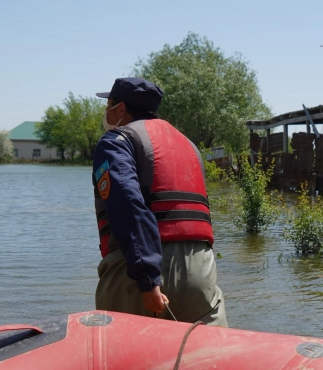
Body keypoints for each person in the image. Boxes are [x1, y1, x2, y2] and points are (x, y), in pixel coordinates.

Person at [92, 77, 227, 326]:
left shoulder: (116, 142)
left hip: (140, 270)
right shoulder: (189, 145)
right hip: (201, 268)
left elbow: (128, 205)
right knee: (205, 355)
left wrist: (148, 279)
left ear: (120, 108)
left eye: (108, 105)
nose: (105, 112)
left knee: (126, 357)